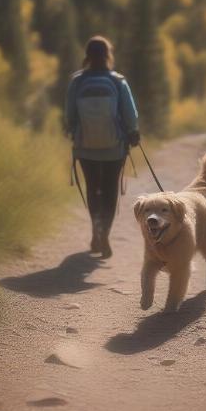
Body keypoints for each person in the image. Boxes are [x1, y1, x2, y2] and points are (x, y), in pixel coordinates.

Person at [65, 36, 140, 258]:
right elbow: (130, 114)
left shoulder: (77, 82)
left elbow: (70, 115)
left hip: (85, 146)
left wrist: (73, 131)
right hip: (113, 147)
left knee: (92, 188)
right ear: (108, 55)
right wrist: (132, 131)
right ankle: (104, 233)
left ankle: (96, 230)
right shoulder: (118, 81)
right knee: (109, 190)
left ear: (87, 55)